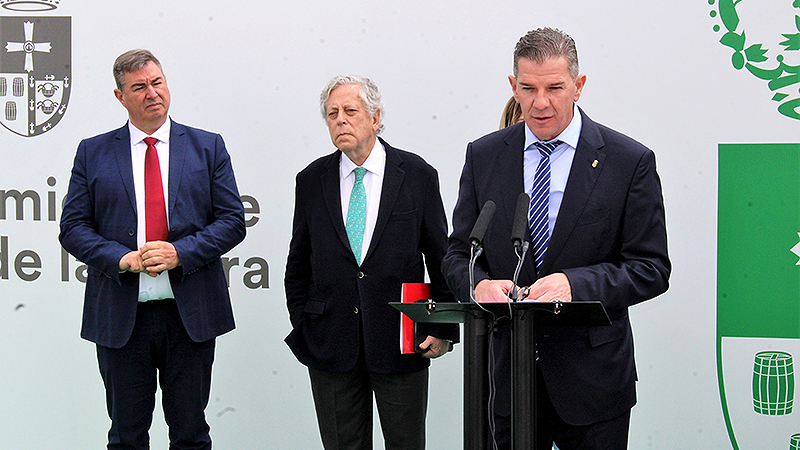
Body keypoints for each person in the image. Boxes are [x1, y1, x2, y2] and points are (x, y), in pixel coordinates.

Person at [442, 28, 670, 450]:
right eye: (527, 88)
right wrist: (478, 285)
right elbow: (459, 253)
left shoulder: (628, 161)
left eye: (554, 88)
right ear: (513, 86)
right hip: (509, 381)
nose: (540, 102)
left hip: (593, 386)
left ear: (579, 86)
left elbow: (651, 269)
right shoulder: (484, 155)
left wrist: (574, 284)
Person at [59, 49, 245, 450]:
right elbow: (72, 228)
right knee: (126, 436)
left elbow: (232, 221)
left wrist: (180, 253)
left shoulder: (207, 147)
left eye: (157, 83)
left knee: (191, 435)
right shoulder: (93, 152)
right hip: (121, 319)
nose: (152, 93)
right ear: (120, 96)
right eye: (139, 87)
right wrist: (121, 259)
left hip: (189, 316)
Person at [284, 75, 459, 450]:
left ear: (376, 118)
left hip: (400, 341)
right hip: (330, 344)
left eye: (350, 111)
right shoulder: (312, 180)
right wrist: (305, 323)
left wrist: (442, 329)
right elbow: (298, 264)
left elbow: (440, 256)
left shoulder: (416, 175)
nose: (340, 120)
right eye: (332, 114)